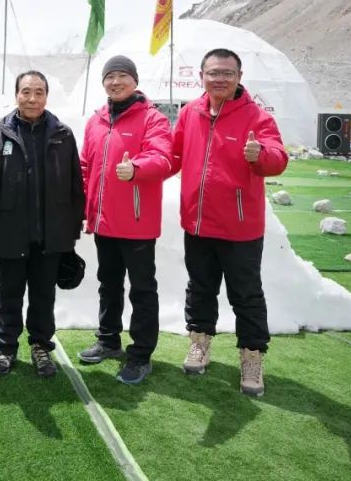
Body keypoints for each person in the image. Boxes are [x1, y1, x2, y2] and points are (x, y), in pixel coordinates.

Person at [171, 48, 288, 397]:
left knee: (246, 295)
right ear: (201, 75)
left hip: (240, 228)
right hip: (198, 223)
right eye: (213, 72)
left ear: (239, 76)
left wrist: (260, 156)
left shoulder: (256, 116)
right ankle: (200, 343)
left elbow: (278, 157)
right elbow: (173, 155)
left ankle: (252, 358)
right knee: (200, 288)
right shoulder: (190, 112)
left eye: (227, 73)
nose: (219, 79)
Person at [0, 71, 85, 378]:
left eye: (38, 92)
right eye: (26, 92)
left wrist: (73, 227)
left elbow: (75, 183)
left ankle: (41, 347)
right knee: (10, 293)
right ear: (16, 94)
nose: (32, 98)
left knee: (43, 295)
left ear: (47, 96)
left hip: (51, 232)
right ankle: (5, 348)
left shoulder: (62, 134)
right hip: (11, 231)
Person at [78, 55, 174, 385]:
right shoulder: (95, 122)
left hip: (137, 222)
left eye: (122, 76)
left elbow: (163, 158)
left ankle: (141, 354)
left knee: (142, 290)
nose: (115, 82)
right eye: (109, 76)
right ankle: (108, 341)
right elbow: (85, 168)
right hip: (104, 222)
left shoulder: (153, 119)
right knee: (108, 283)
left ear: (135, 81)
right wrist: (81, 208)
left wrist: (137, 169)